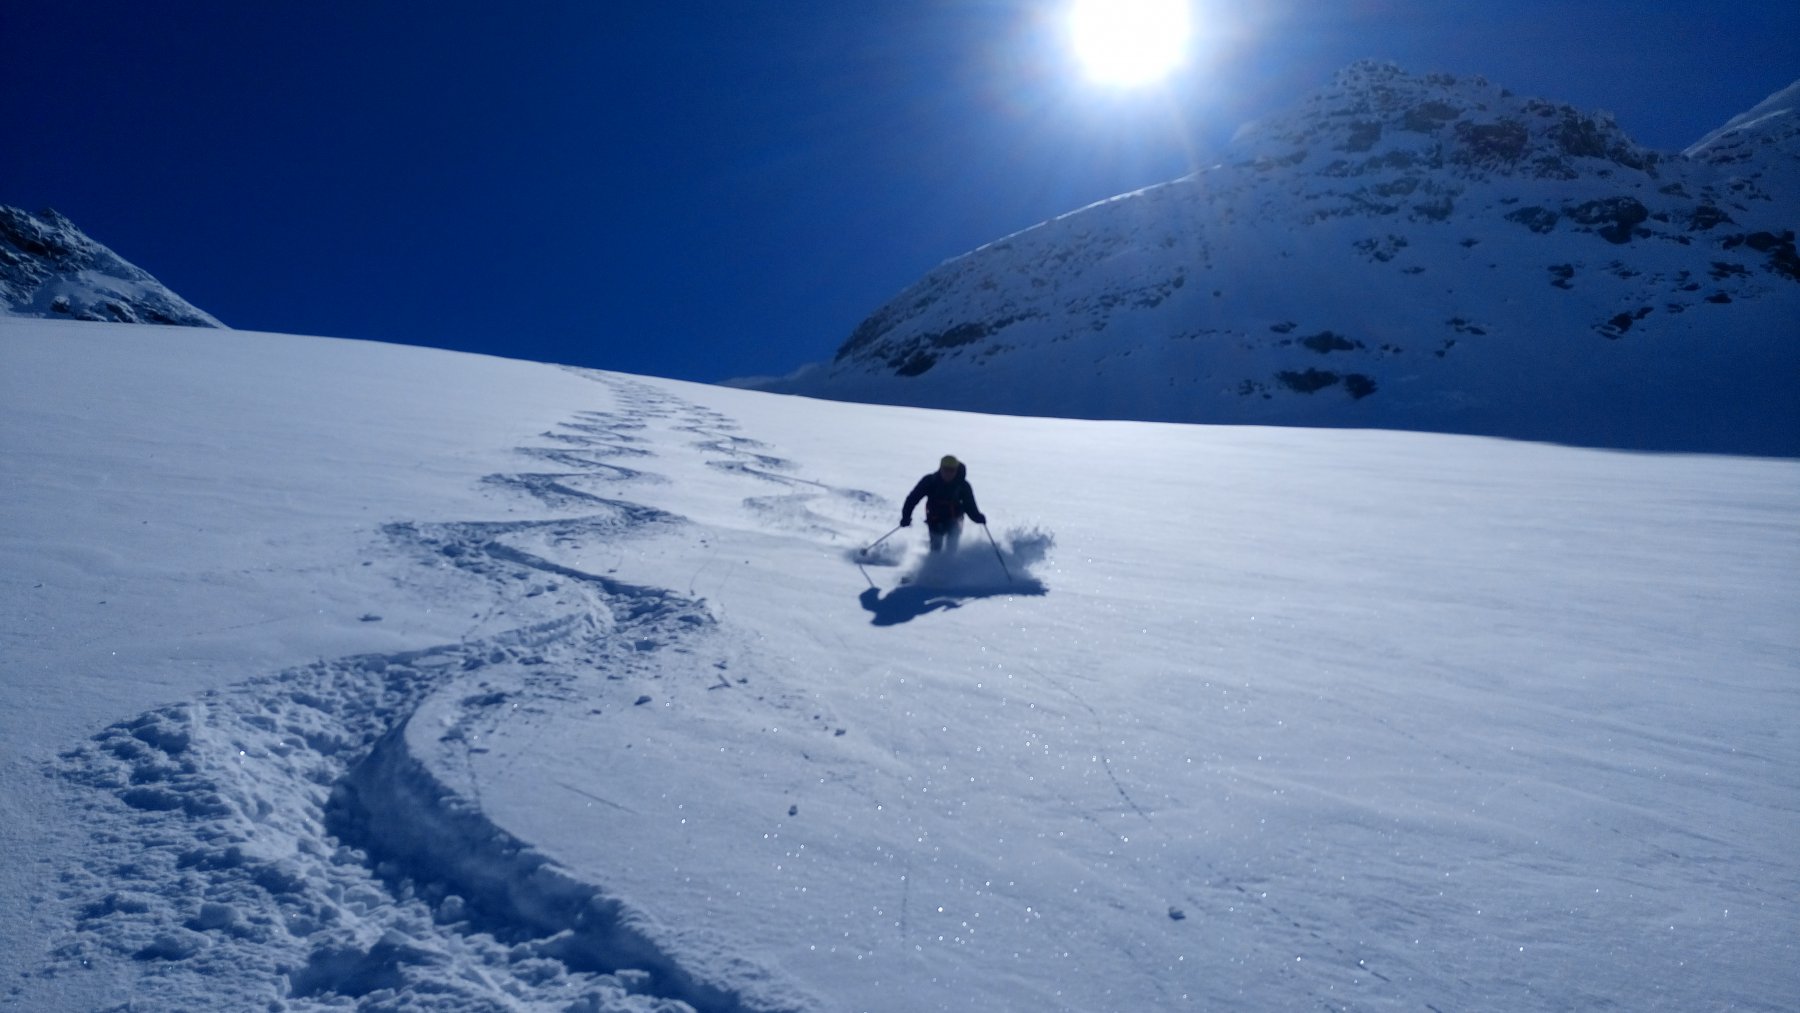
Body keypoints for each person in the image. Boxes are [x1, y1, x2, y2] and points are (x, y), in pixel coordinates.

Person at [901, 454, 986, 553]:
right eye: (945, 469)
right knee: (936, 547)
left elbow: (970, 505)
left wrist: (977, 517)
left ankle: (950, 561)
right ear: (940, 468)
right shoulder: (930, 481)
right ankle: (935, 561)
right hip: (935, 518)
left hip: (955, 519)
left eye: (952, 470)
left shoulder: (963, 485)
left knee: (952, 548)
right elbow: (912, 499)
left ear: (956, 470)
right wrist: (906, 517)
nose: (948, 473)